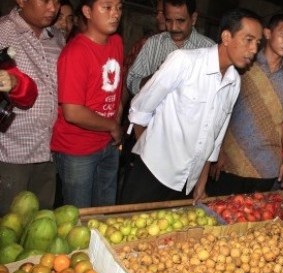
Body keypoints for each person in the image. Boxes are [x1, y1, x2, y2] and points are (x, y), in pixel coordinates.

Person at [119, 8, 263, 204]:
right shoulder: (184, 62)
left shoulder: (234, 82)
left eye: (258, 43)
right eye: (248, 39)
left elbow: (214, 139)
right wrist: (150, 153)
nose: (254, 49)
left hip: (186, 183)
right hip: (152, 173)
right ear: (227, 37)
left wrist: (200, 184)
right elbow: (140, 108)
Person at [207, 13, 283, 196]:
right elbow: (219, 109)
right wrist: (216, 150)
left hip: (267, 165)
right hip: (229, 160)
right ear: (267, 33)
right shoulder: (242, 63)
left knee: (253, 221)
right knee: (219, 215)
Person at [51, 0, 123, 207]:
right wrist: (112, 126)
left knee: (104, 213)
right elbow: (72, 112)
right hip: (78, 149)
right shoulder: (76, 53)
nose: (115, 14)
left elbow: (115, 87)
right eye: (107, 7)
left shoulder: (116, 42)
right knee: (79, 217)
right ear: (87, 11)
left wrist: (116, 115)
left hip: (108, 143)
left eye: (118, 8)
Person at [0, 0, 65, 215]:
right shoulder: (3, 32)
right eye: (45, 0)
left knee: (41, 223)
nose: (53, 7)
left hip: (48, 150)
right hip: (11, 153)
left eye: (56, 1)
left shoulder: (57, 37)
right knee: (9, 225)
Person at [126, 0, 214, 96]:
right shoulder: (153, 44)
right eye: (168, 20)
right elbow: (131, 83)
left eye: (180, 21)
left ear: (193, 18)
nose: (173, 27)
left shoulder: (209, 49)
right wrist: (157, 76)